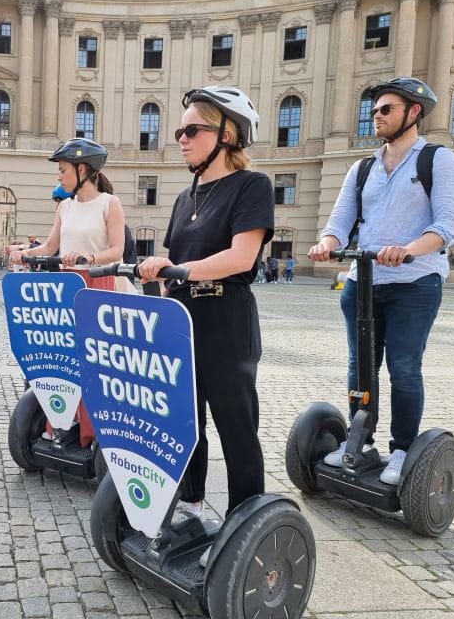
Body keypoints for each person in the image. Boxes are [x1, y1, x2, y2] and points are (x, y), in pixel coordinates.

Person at [137, 86, 273, 558]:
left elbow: (241, 256)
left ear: (228, 134)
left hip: (226, 317)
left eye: (192, 129)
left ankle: (246, 520)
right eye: (179, 130)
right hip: (183, 317)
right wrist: (158, 273)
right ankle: (192, 504)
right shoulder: (184, 196)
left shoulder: (251, 186)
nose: (181, 137)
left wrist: (177, 270)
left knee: (236, 424)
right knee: (186, 422)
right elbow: (174, 255)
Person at [309, 77, 454, 485]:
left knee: (403, 368)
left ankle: (401, 450)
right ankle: (361, 442)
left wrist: (410, 248)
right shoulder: (363, 167)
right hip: (364, 281)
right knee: (361, 368)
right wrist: (326, 243)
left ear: (413, 113)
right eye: (374, 109)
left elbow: (448, 224)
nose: (375, 115)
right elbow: (339, 222)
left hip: (414, 284)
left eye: (386, 109)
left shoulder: (438, 160)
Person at [10, 138, 126, 448]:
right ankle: (62, 421)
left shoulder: (109, 204)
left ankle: (92, 431)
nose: (59, 177)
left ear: (82, 169)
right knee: (66, 358)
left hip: (98, 285)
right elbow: (50, 247)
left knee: (93, 362)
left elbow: (117, 250)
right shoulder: (65, 205)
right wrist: (24, 251)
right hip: (67, 288)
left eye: (63, 170)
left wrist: (88, 258)